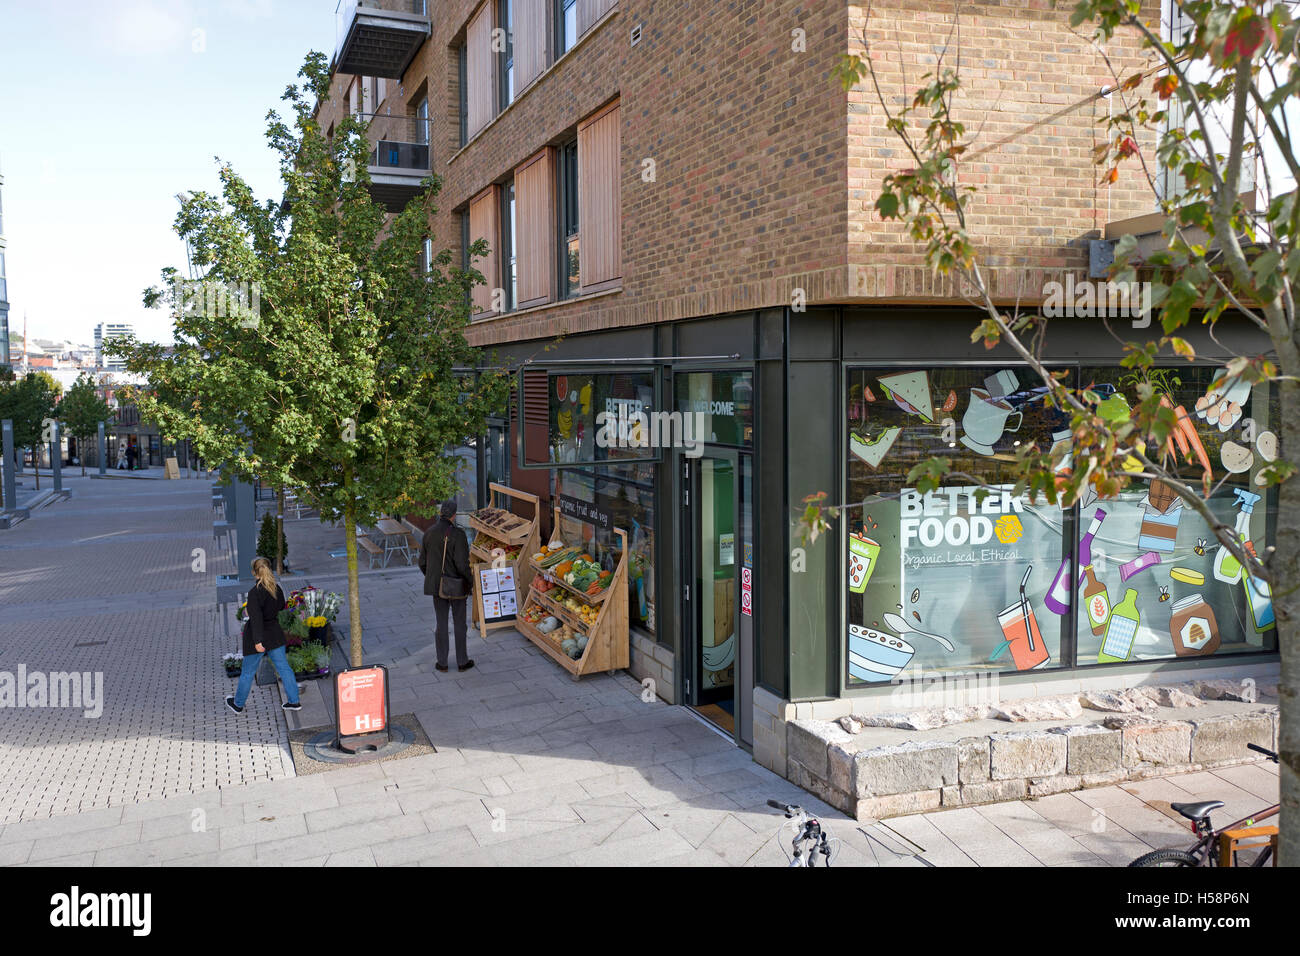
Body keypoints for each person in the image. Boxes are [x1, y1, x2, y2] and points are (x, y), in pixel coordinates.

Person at [226, 557, 302, 714]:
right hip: (275, 634)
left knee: (248, 672)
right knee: (284, 668)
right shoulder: (276, 588)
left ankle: (238, 704)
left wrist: (258, 641)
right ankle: (294, 702)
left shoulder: (254, 593)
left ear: (255, 573)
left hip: (258, 637)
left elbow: (256, 619)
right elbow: (281, 606)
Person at [418, 500, 474, 673]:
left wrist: (434, 577)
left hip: (437, 586)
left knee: (441, 623)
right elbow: (462, 564)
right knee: (459, 624)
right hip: (457, 586)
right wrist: (469, 581)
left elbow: (422, 562)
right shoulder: (458, 534)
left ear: (441, 513)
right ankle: (462, 661)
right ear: (454, 515)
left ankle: (442, 662)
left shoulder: (428, 533)